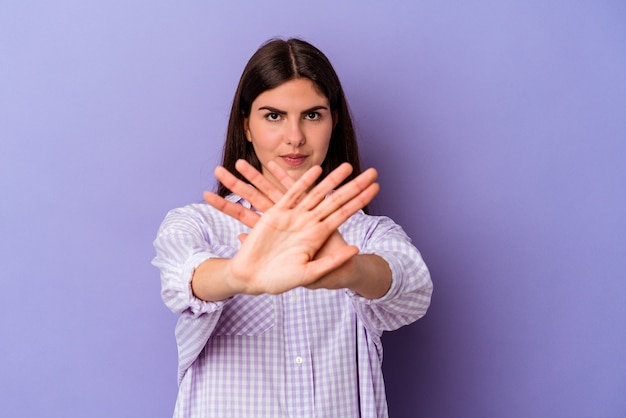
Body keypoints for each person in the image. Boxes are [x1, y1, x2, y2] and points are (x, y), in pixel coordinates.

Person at [152, 38, 433, 418]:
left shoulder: (367, 235)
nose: (295, 137)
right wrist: (236, 275)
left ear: (334, 121)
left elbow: (412, 287)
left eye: (313, 115)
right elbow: (182, 279)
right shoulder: (197, 225)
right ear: (246, 126)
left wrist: (352, 271)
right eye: (273, 116)